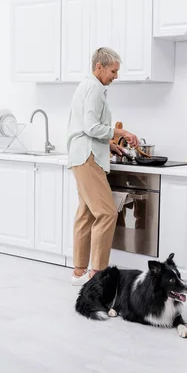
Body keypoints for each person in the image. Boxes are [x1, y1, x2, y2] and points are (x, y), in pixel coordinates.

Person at [66, 47, 140, 286]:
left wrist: (109, 143)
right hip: (88, 157)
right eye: (113, 71)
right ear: (99, 67)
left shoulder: (87, 86)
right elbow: (90, 127)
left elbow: (88, 127)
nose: (115, 76)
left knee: (86, 214)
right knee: (107, 212)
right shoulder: (95, 88)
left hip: (82, 155)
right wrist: (122, 132)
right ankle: (96, 273)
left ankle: (79, 272)